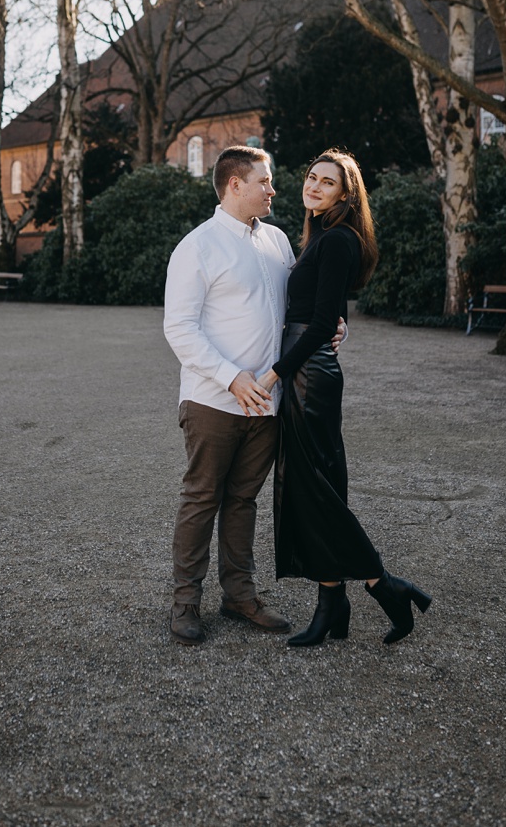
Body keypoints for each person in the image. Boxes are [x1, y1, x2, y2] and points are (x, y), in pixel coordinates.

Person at [162, 144, 343, 646]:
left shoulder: (280, 241)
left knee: (243, 500)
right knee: (202, 499)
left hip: (268, 401)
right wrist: (230, 376)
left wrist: (332, 325)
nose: (274, 189)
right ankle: (185, 605)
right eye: (265, 181)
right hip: (213, 401)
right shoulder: (197, 247)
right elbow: (179, 328)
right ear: (235, 184)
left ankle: (239, 596)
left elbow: (295, 309)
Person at [256, 148, 433, 646]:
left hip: (308, 374)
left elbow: (318, 325)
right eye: (311, 177)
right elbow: (334, 314)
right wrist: (338, 330)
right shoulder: (321, 237)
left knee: (312, 486)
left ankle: (383, 584)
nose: (313, 186)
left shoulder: (337, 240)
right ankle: (333, 600)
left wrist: (273, 376)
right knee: (313, 487)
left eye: (327, 182)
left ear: (345, 194)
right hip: (309, 367)